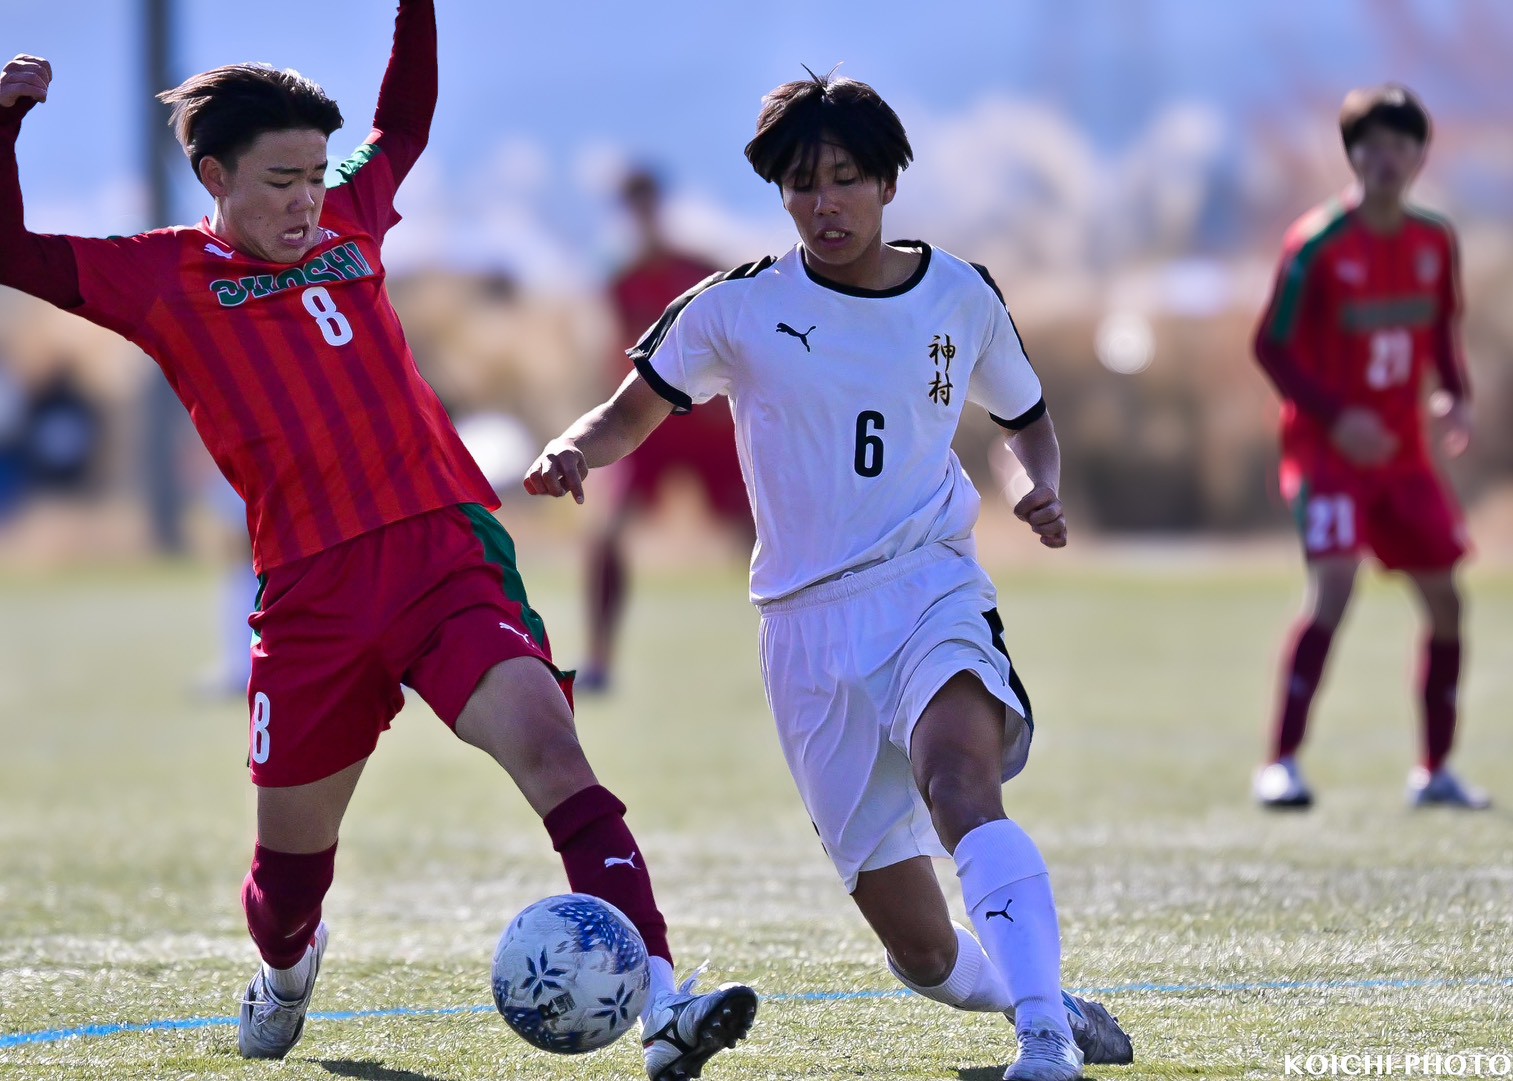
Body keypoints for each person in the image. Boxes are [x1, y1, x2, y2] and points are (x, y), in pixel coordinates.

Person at [0, 8, 758, 1078]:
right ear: (213, 175)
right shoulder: (160, 276)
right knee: (284, 891)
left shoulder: (352, 215)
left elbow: (403, 121)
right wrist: (5, 123)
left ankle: (666, 1004)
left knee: (554, 755)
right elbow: (11, 250)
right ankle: (287, 968)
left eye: (316, 175)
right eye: (280, 180)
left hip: (444, 555)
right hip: (312, 596)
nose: (307, 198)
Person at [525, 70, 1131, 1081]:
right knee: (922, 953)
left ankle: (1042, 1037)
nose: (824, 204)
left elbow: (1023, 420)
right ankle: (1045, 995)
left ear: (888, 182)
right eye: (802, 184)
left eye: (845, 178)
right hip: (804, 633)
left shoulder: (959, 293)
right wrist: (574, 449)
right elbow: (628, 411)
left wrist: (1036, 485)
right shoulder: (733, 307)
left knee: (959, 784)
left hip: (928, 585)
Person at [1250, 84, 1488, 812]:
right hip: (1328, 456)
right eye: (1372, 145)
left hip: (1404, 457)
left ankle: (1435, 771)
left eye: (1400, 145)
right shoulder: (1317, 244)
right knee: (1333, 588)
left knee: (1447, 600)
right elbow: (1270, 345)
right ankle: (1281, 764)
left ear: (1419, 156)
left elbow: (1441, 329)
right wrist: (1336, 417)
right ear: (1351, 154)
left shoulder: (1434, 240)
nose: (1386, 159)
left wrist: (1455, 392)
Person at [580, 167, 753, 692]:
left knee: (763, 538)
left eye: (647, 204)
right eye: (631, 208)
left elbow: (740, 336)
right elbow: (618, 359)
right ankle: (599, 662)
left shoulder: (701, 270)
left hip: (710, 430)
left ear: (659, 205)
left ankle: (810, 647)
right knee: (607, 535)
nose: (642, 216)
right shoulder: (620, 282)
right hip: (651, 430)